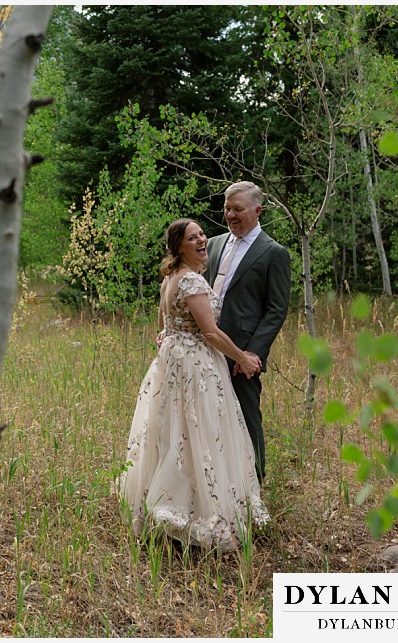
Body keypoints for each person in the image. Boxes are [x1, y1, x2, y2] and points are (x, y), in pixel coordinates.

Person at [120, 218, 269, 552]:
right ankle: (196, 510)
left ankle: (168, 500)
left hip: (173, 363)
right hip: (196, 366)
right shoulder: (191, 281)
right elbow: (211, 332)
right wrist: (243, 358)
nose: (202, 240)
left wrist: (170, 340)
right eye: (193, 237)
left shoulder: (169, 279)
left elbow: (163, 327)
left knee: (176, 431)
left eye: (202, 234)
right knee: (201, 432)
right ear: (179, 246)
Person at [205, 181, 291, 483]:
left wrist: (252, 353)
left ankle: (255, 480)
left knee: (245, 414)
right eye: (227, 208)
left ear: (257, 211)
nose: (230, 215)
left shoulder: (273, 253)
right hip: (205, 345)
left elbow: (276, 309)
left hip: (242, 352)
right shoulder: (213, 244)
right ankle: (217, 479)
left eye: (237, 209)